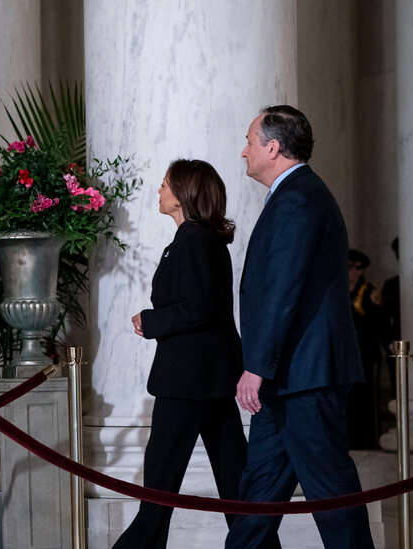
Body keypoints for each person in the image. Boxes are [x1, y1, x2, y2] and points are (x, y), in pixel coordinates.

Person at [225, 105, 374, 549]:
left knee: (332, 495)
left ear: (273, 147)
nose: (244, 151)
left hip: (305, 377)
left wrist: (256, 365)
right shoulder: (294, 196)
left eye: (250, 141)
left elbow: (282, 291)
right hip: (288, 379)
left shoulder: (299, 198)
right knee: (258, 499)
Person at [113, 159, 247, 549]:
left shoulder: (194, 240)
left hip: (189, 379)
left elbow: (197, 307)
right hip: (210, 377)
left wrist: (151, 321)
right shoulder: (197, 239)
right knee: (235, 481)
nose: (159, 190)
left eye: (166, 184)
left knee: (160, 487)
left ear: (183, 194)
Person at [346, 249, 384, 449]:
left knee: (367, 399)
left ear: (361, 271)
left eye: (356, 267)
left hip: (366, 354)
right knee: (348, 399)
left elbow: (379, 324)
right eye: (348, 266)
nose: (351, 271)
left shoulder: (369, 293)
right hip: (346, 355)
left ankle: (369, 441)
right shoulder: (339, 291)